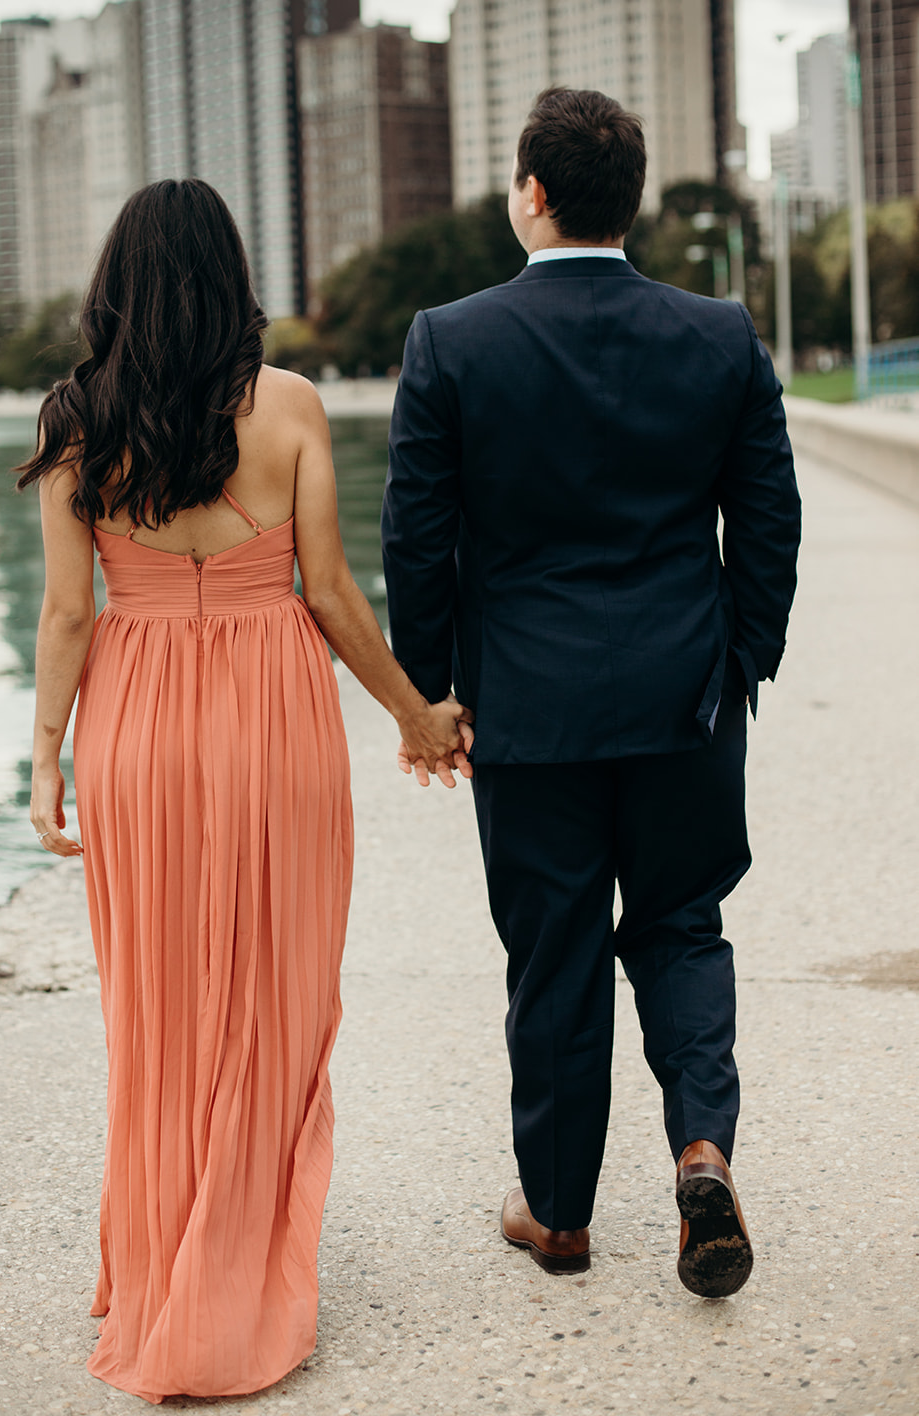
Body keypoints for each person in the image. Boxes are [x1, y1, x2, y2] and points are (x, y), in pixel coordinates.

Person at [17, 179, 468, 1403]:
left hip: (138, 721)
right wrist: (416, 714)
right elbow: (328, 595)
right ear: (232, 278)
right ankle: (235, 1263)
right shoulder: (290, 406)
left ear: (117, 281)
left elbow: (67, 613)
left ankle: (167, 1259)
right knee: (274, 987)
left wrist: (47, 758)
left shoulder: (74, 420)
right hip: (271, 714)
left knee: (158, 1004)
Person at [382, 87, 802, 1299]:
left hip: (528, 708)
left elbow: (417, 535)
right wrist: (738, 666)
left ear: (530, 193)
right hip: (683, 694)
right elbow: (765, 519)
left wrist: (433, 693)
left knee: (552, 951)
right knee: (678, 924)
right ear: (631, 200)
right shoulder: (716, 332)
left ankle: (558, 1215)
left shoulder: (450, 340)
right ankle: (702, 1151)